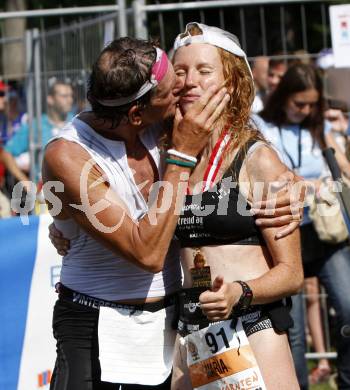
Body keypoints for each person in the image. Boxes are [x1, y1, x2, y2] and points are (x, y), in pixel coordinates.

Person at [44, 36, 304, 389]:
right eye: (175, 80)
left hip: (179, 329)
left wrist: (302, 185)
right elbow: (147, 252)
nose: (184, 86)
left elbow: (291, 269)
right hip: (97, 321)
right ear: (138, 114)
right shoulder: (81, 152)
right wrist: (180, 157)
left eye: (199, 72)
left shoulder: (165, 129)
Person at [168, 23, 303, 390]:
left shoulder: (257, 159)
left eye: (204, 70)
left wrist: (239, 292)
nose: (189, 80)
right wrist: (65, 224)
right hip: (193, 335)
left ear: (232, 83)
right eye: (180, 71)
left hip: (251, 329)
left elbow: (292, 273)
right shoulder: (171, 157)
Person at [256, 63, 350, 390]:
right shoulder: (261, 126)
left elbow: (340, 167)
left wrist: (333, 178)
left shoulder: (318, 127)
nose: (305, 110)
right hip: (284, 232)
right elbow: (268, 175)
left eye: (311, 104)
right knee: (292, 328)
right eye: (299, 103)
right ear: (283, 98)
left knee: (349, 307)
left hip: (324, 233)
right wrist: (308, 184)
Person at [5, 80, 74, 181]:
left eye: (71, 95)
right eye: (64, 96)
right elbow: (6, 153)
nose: (70, 100)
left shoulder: (76, 123)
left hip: (74, 190)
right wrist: (25, 182)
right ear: (50, 99)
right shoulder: (35, 125)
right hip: (44, 191)